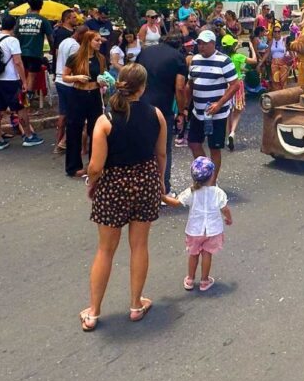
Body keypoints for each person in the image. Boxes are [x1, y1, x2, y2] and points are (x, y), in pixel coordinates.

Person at [79, 63, 166, 331]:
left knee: (105, 250)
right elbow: (161, 154)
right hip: (146, 181)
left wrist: (92, 183)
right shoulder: (156, 115)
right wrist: (160, 182)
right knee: (139, 245)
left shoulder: (105, 120)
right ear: (143, 87)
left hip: (114, 186)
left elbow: (95, 166)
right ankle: (136, 304)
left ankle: (93, 312)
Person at [162, 156, 231, 291]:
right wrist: (229, 219)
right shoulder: (218, 192)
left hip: (194, 230)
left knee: (193, 254)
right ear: (212, 176)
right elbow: (225, 209)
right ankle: (205, 280)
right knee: (207, 253)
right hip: (212, 230)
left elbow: (176, 203)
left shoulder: (191, 192)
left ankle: (190, 279)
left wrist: (162, 196)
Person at [136, 29, 188, 196]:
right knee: (163, 150)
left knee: (142, 146)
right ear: (179, 44)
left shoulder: (144, 52)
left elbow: (134, 75)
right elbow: (180, 87)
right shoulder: (178, 57)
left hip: (140, 104)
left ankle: (142, 187)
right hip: (162, 108)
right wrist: (182, 111)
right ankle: (162, 189)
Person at [187, 30, 238, 182]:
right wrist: (184, 107)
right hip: (198, 111)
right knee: (193, 142)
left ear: (213, 44)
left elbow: (235, 85)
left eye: (204, 44)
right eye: (199, 43)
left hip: (217, 112)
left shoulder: (224, 60)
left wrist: (219, 103)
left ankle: (212, 181)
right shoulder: (195, 60)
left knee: (214, 147)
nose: (201, 47)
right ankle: (205, 172)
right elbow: (190, 84)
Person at [0, 15, 45, 151]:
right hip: (11, 80)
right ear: (14, 26)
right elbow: (18, 62)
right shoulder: (12, 40)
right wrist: (24, 81)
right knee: (20, 108)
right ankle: (28, 136)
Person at [62, 30, 106, 178]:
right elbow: (65, 77)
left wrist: (103, 81)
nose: (100, 43)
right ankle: (73, 167)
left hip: (94, 94)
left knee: (96, 130)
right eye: (97, 40)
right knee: (74, 129)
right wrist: (77, 77)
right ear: (88, 41)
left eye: (100, 40)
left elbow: (103, 75)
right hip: (78, 94)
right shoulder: (75, 58)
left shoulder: (100, 58)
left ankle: (94, 164)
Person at [51, 9, 80, 154]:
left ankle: (58, 143)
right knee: (75, 113)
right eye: (74, 17)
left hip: (59, 78)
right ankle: (64, 142)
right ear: (67, 18)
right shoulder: (69, 40)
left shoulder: (66, 38)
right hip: (67, 79)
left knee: (63, 113)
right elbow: (72, 62)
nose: (77, 19)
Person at [16, 0, 53, 99]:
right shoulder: (43, 20)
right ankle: (27, 97)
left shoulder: (20, 19)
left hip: (20, 52)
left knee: (21, 75)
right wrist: (52, 49)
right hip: (35, 52)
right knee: (32, 76)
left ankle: (20, 97)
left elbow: (15, 35)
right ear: (41, 7)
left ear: (29, 6)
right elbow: (50, 37)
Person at [222, 34, 254, 150]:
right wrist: (251, 47)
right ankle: (232, 133)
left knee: (228, 112)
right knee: (238, 110)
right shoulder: (238, 56)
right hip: (237, 84)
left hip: (226, 85)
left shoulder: (223, 58)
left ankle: (227, 137)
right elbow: (254, 61)